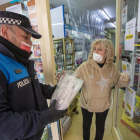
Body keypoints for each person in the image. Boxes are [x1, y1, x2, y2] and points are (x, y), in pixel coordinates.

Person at [0, 11, 67, 140]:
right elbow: (3, 124)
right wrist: (47, 116)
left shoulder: (19, 59)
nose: (30, 43)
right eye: (26, 37)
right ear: (5, 33)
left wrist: (55, 91)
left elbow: (31, 86)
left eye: (30, 38)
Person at [75, 39, 130, 140]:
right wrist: (65, 80)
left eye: (100, 49)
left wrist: (125, 80)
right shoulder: (85, 67)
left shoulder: (112, 68)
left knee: (100, 128)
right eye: (94, 49)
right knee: (86, 126)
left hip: (103, 104)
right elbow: (73, 80)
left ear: (107, 52)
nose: (95, 52)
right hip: (87, 104)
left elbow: (119, 83)